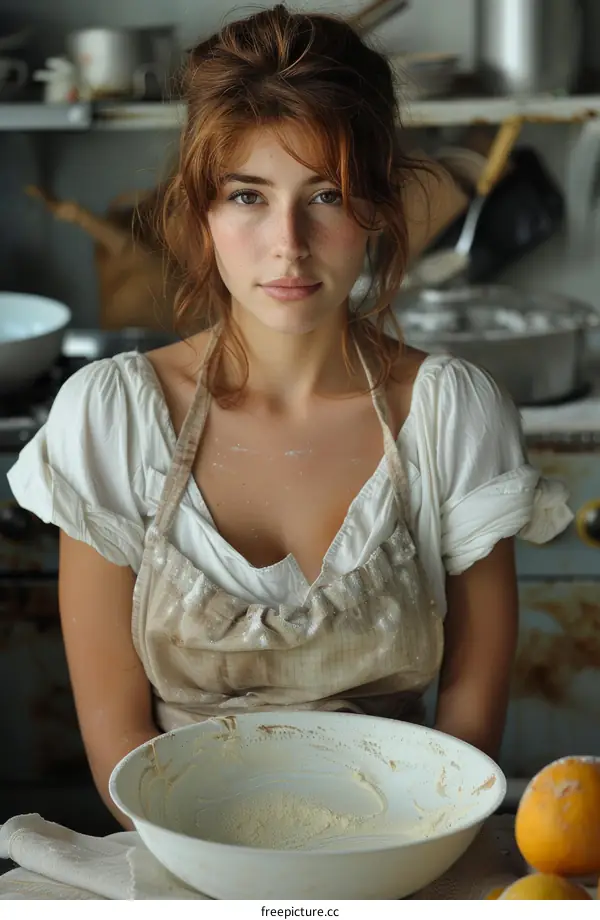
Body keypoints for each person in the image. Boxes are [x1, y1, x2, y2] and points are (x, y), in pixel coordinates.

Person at [8, 4, 571, 828]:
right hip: (182, 853)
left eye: (326, 195)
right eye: (247, 195)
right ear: (201, 212)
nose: (288, 244)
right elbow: (119, 741)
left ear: (377, 206)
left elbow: (470, 721)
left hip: (406, 848)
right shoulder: (112, 416)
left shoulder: (452, 413)